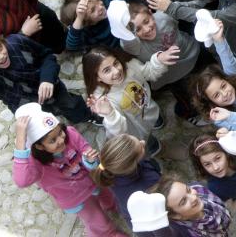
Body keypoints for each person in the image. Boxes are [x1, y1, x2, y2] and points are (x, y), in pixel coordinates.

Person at [13, 109, 125, 237]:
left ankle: (112, 207)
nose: (61, 140)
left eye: (60, 132)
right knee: (98, 222)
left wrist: (90, 161)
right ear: (39, 146)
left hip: (92, 180)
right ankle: (109, 234)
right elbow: (21, 181)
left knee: (108, 196)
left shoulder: (70, 133)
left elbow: (85, 149)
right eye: (52, 140)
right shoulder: (36, 163)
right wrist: (20, 142)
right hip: (74, 197)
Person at [0, 26, 93, 122]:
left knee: (71, 105)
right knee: (45, 124)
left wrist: (47, 79)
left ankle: (87, 116)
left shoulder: (17, 42)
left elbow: (46, 56)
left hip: (51, 87)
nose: (1, 56)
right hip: (26, 104)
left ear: (1, 40)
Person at [83, 45, 179, 157]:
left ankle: (156, 122)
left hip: (149, 109)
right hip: (136, 129)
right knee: (147, 140)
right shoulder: (103, 100)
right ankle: (157, 149)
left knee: (153, 118)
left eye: (115, 63)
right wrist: (110, 114)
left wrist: (158, 60)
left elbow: (149, 72)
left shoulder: (130, 66)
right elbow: (119, 133)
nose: (117, 71)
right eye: (107, 70)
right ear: (97, 77)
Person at [90, 133, 162, 230]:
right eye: (141, 147)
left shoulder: (110, 170)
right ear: (133, 165)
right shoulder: (151, 180)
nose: (143, 142)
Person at [155, 175, 231, 236]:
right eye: (184, 201)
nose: (194, 197)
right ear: (175, 215)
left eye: (188, 190)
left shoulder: (199, 189)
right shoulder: (186, 233)